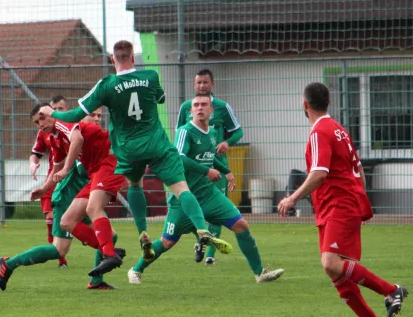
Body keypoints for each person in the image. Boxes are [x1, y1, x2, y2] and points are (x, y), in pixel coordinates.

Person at [39, 40, 219, 261]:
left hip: (128, 150)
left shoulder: (107, 85)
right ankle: (202, 231)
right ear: (133, 58)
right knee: (181, 189)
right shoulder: (152, 76)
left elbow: (74, 116)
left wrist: (52, 112)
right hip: (157, 145)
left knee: (135, 184)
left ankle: (142, 232)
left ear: (112, 59)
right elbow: (160, 98)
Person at [278, 82, 407, 317]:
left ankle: (392, 291)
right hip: (336, 205)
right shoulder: (339, 129)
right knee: (333, 269)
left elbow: (319, 173)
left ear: (305, 105)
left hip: (338, 205)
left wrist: (292, 198)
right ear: (328, 103)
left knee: (331, 263)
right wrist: (360, 198)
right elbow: (357, 168)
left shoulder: (319, 132)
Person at [128, 95, 282, 284]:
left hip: (208, 193)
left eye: (204, 105)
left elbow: (210, 156)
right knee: (167, 241)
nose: (200, 108)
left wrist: (227, 172)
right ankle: (136, 270)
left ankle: (260, 273)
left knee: (241, 225)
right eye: (196, 105)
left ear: (212, 110)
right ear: (190, 111)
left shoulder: (212, 133)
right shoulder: (186, 131)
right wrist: (206, 170)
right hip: (184, 197)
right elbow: (180, 157)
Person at [0, 104, 124, 291]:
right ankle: (10, 263)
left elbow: (63, 164)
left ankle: (98, 278)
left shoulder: (73, 136)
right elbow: (61, 166)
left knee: (109, 236)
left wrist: (46, 186)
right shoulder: (69, 128)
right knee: (60, 249)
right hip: (67, 195)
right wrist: (47, 186)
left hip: (85, 190)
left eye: (99, 116)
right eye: (92, 115)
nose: (96, 119)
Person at [177, 69, 243, 266]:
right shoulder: (186, 107)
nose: (202, 86)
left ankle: (210, 254)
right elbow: (179, 136)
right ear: (194, 85)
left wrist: (227, 143)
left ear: (212, 84)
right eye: (198, 83)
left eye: (205, 82)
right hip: (193, 169)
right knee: (188, 211)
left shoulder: (222, 107)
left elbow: (238, 131)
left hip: (217, 165)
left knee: (216, 211)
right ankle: (200, 241)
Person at [30, 95, 70, 268]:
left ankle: (105, 247)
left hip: (75, 178)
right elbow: (36, 153)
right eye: (37, 122)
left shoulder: (71, 128)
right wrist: (33, 163)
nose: (41, 124)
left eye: (60, 109)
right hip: (54, 179)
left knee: (79, 220)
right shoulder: (46, 134)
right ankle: (60, 259)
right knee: (51, 217)